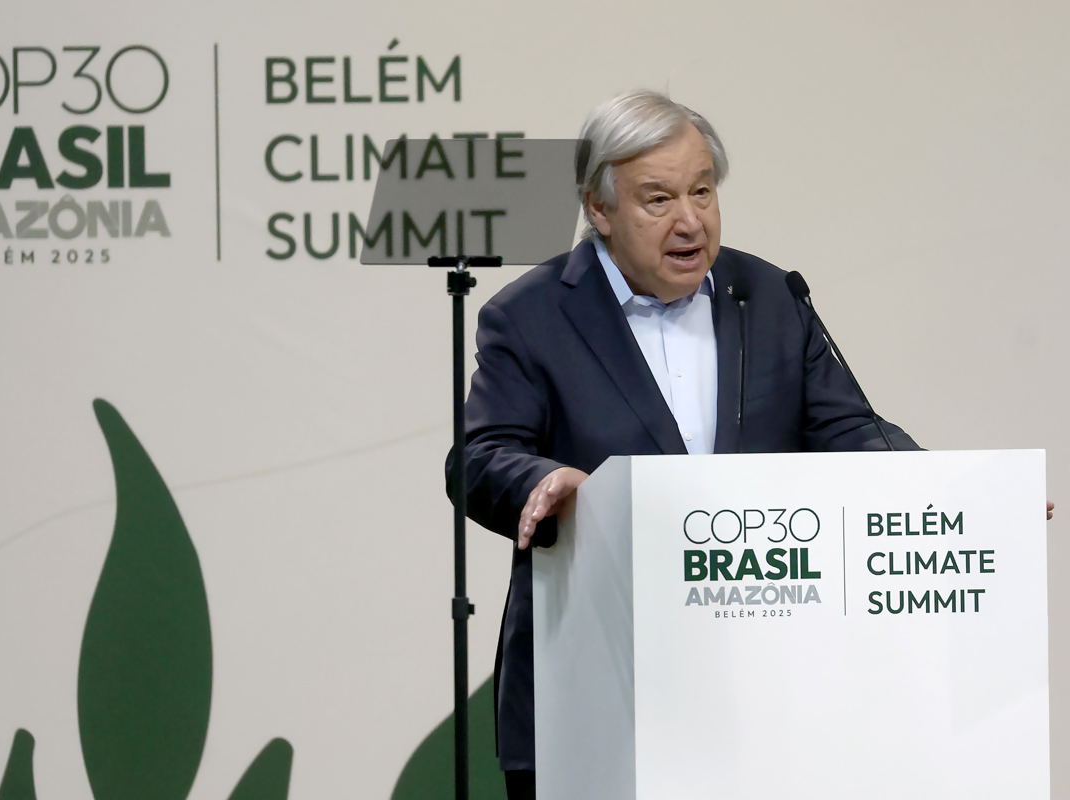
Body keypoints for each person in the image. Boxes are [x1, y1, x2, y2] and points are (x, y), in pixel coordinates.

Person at [446, 90, 1051, 800]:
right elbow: (480, 456)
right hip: (596, 688)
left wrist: (955, 495)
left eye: (703, 190)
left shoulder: (766, 294)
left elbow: (851, 431)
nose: (690, 220)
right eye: (659, 199)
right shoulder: (531, 315)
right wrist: (540, 481)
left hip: (762, 698)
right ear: (599, 209)